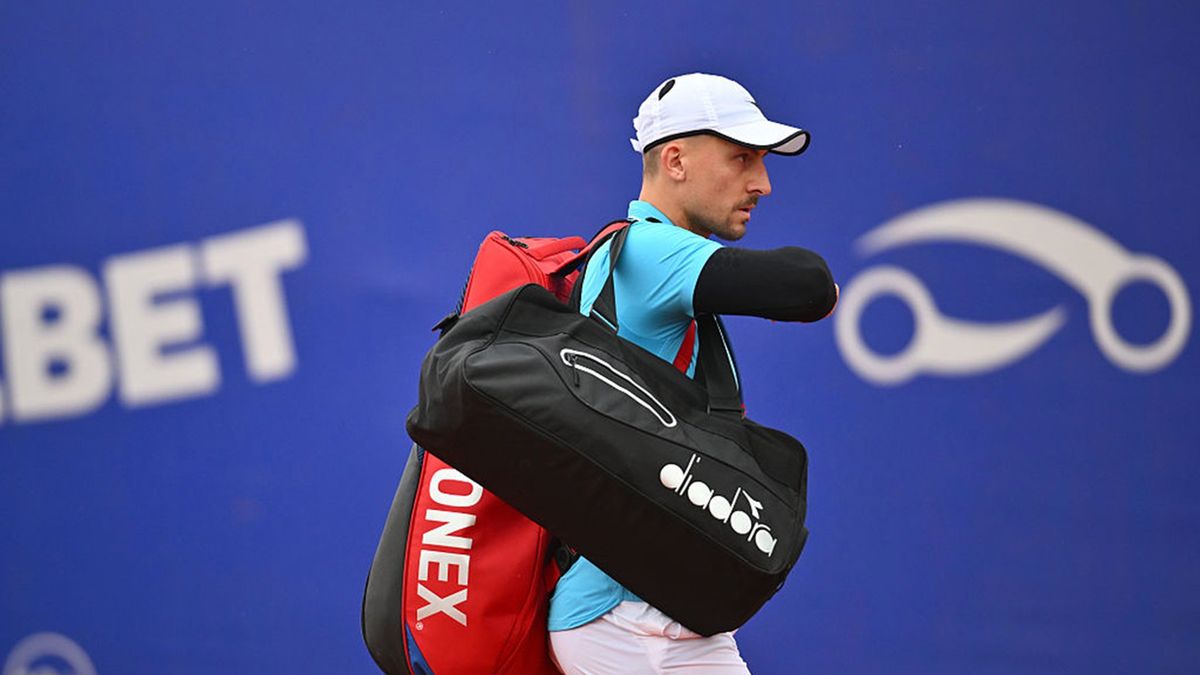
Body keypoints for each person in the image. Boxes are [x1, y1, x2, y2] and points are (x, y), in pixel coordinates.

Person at [547, 73, 838, 674]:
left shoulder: (644, 252)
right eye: (741, 158)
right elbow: (806, 287)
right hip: (625, 622)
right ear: (675, 159)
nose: (762, 183)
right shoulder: (652, 253)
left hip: (660, 612)